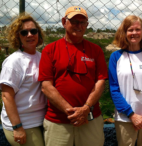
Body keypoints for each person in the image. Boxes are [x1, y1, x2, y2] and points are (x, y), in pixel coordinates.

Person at [38, 6, 108, 146]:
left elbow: (100, 82)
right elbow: (46, 86)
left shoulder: (95, 50)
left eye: (83, 22)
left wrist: (86, 108)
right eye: (74, 21)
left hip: (90, 118)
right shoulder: (50, 50)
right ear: (64, 22)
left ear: (87, 25)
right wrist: (72, 113)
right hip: (58, 121)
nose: (79, 26)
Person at [109, 15, 142, 146]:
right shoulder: (116, 57)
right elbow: (114, 89)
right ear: (124, 33)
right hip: (125, 117)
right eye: (130, 30)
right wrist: (131, 115)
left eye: (138, 29)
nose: (134, 33)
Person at [0, 13, 46, 146]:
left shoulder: (42, 57)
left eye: (33, 31)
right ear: (18, 37)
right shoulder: (14, 62)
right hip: (23, 122)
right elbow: (7, 96)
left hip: (42, 119)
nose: (30, 35)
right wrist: (17, 127)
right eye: (24, 32)